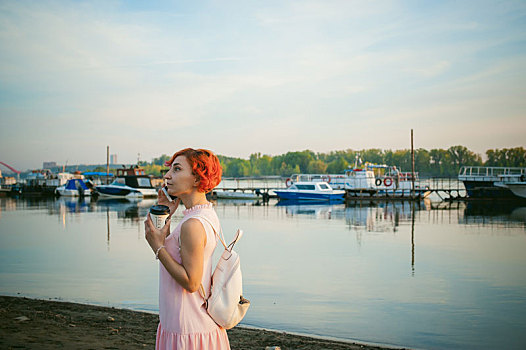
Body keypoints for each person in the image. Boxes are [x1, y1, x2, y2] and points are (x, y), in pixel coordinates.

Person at [144, 148, 230, 350]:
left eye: (176, 169)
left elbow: (191, 282)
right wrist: (165, 214)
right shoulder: (204, 214)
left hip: (188, 331)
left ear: (197, 179)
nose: (167, 176)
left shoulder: (193, 224)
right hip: (184, 324)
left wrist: (157, 248)